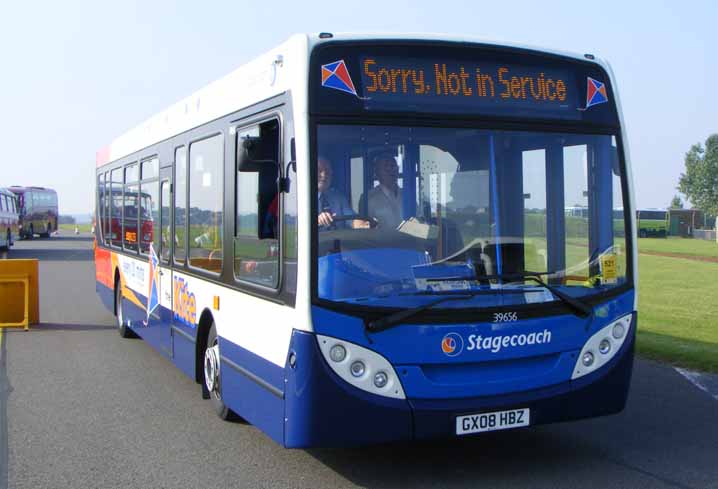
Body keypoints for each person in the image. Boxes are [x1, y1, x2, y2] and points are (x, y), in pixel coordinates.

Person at [317, 156, 360, 230]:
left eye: (327, 171)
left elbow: (351, 218)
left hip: (339, 241)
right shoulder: (302, 200)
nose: (324, 175)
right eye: (319, 170)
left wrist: (361, 224)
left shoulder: (338, 197)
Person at [364, 152, 403, 229]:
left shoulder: (407, 195)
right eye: (386, 167)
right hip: (382, 241)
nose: (390, 170)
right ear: (377, 172)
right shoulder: (368, 198)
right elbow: (366, 228)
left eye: (393, 166)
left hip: (411, 240)